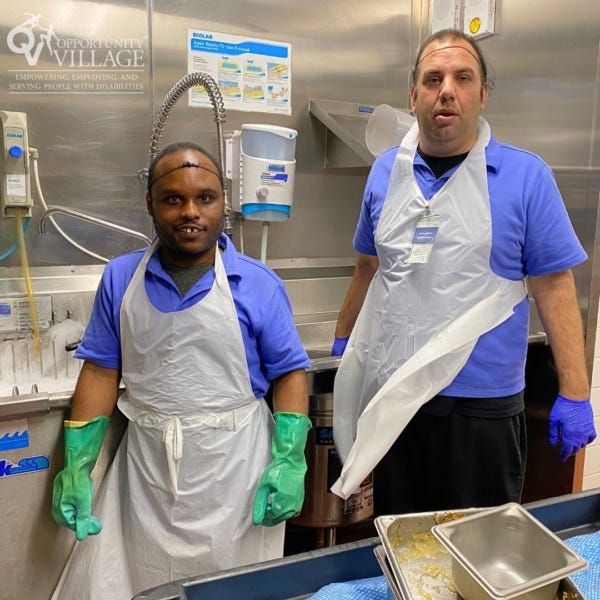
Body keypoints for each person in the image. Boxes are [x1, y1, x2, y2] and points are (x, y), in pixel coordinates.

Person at [329, 29, 596, 515]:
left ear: (482, 94)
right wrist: (345, 343)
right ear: (414, 97)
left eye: (462, 77)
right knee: (401, 541)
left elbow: (555, 284)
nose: (446, 89)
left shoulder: (525, 176)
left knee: (480, 548)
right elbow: (368, 266)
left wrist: (575, 392)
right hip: (398, 399)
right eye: (432, 79)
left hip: (482, 408)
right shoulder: (386, 172)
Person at [50, 142, 311, 599]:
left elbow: (290, 373)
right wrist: (77, 466)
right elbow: (100, 373)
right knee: (138, 581)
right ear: (150, 203)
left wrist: (289, 461)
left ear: (222, 202)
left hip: (236, 473)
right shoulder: (120, 278)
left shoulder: (257, 284)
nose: (190, 212)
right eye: (173, 199)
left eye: (205, 198)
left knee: (233, 589)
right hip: (147, 477)